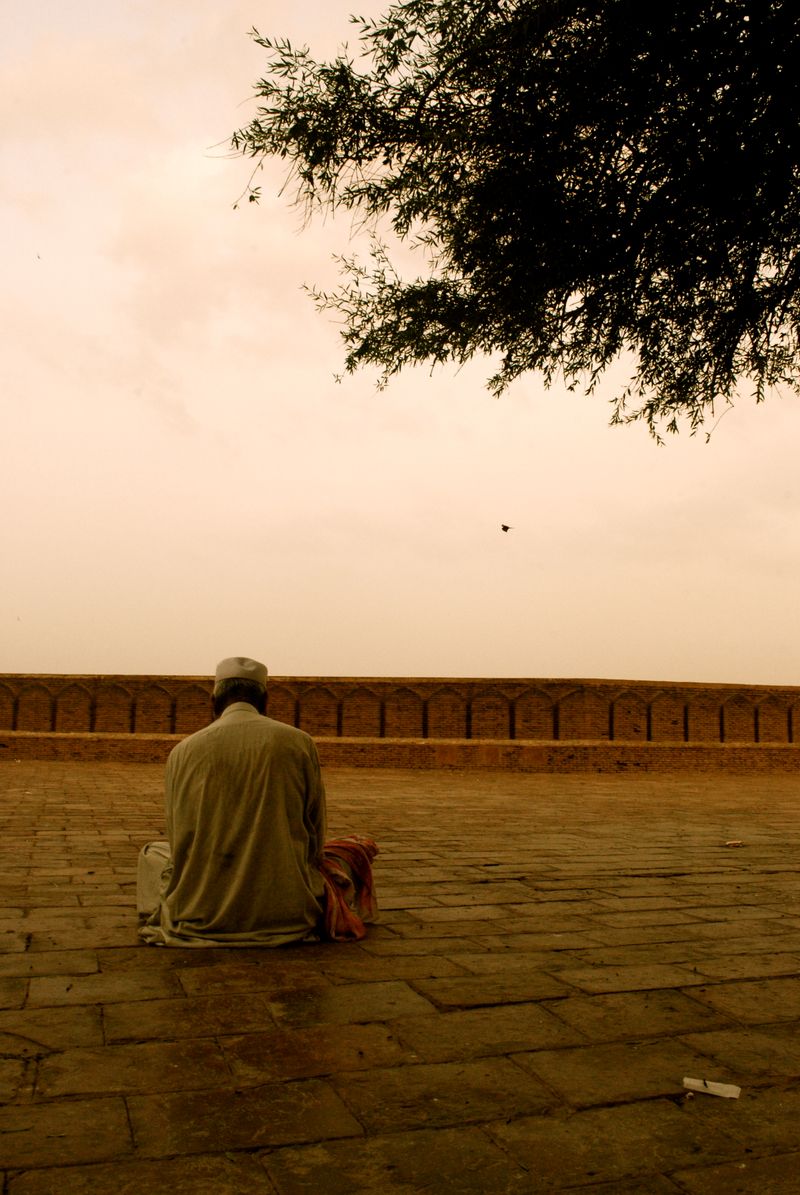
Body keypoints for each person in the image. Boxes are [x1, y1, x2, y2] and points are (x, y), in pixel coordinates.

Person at [137, 656, 377, 947]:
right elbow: (315, 830)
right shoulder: (298, 742)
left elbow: (179, 840)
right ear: (264, 700)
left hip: (200, 911)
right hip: (288, 911)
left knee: (153, 853)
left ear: (214, 700)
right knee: (346, 854)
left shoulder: (183, 751)